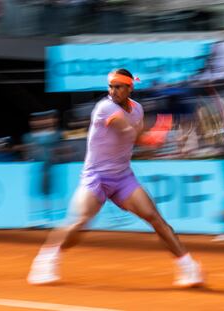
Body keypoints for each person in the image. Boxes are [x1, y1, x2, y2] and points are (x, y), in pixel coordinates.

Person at [27, 68, 204, 288]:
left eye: (118, 86)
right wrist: (158, 133)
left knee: (155, 218)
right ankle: (45, 260)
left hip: (122, 177)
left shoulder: (137, 109)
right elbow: (128, 130)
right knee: (80, 221)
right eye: (111, 86)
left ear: (130, 88)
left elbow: (136, 141)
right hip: (96, 177)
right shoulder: (104, 107)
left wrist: (167, 143)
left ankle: (188, 267)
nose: (113, 91)